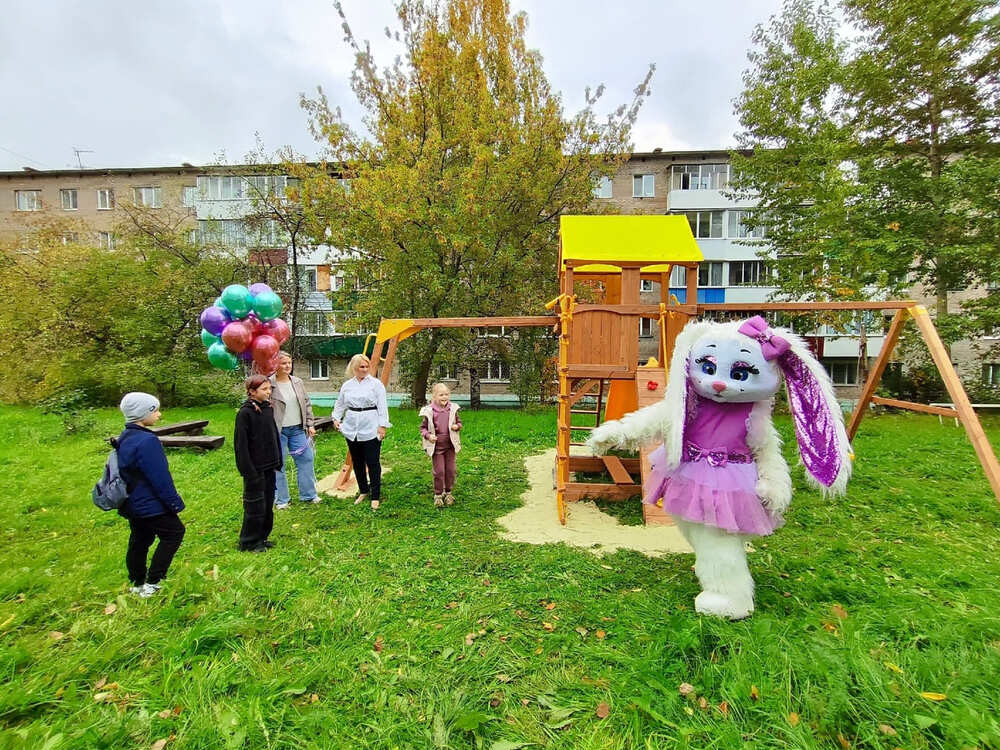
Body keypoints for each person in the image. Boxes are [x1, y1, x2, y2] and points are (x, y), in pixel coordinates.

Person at [115, 392, 185, 598]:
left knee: (140, 538)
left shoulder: (125, 436)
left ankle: (137, 582)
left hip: (131, 501)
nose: (159, 414)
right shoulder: (147, 441)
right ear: (141, 414)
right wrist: (174, 503)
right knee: (174, 533)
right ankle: (153, 582)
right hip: (148, 502)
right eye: (154, 410)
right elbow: (159, 477)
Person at [332, 353, 391, 510]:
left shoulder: (376, 384)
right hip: (352, 427)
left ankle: (375, 495)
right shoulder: (347, 386)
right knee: (357, 461)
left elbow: (382, 406)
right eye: (361, 367)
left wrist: (382, 426)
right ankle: (363, 490)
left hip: (370, 426)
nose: (364, 369)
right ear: (354, 368)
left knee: (372, 461)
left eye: (366, 366)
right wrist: (336, 418)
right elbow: (340, 404)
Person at [234, 375, 282, 551]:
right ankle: (248, 541)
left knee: (268, 504)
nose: (268, 392)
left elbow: (273, 435)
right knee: (255, 506)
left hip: (269, 465)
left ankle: (262, 537)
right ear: (252, 392)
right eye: (264, 389)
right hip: (254, 469)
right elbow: (241, 446)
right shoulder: (245, 413)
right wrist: (248, 471)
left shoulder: (267, 408)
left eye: (270, 389)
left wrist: (278, 460)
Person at [269, 351, 319, 508]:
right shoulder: (269, 384)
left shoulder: (297, 382)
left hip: (298, 429)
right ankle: (282, 500)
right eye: (283, 363)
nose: (287, 366)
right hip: (278, 431)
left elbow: (306, 403)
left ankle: (309, 495)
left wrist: (310, 424)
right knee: (278, 465)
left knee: (306, 459)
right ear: (275, 365)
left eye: (289, 363)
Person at [418, 382, 462, 508]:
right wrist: (428, 436)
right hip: (437, 448)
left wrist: (457, 426)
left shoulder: (452, 409)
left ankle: (448, 493)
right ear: (434, 396)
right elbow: (423, 429)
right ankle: (438, 494)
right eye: (441, 395)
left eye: (446, 394)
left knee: (450, 470)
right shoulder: (429, 411)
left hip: (450, 447)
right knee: (439, 471)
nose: (444, 397)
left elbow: (459, 423)